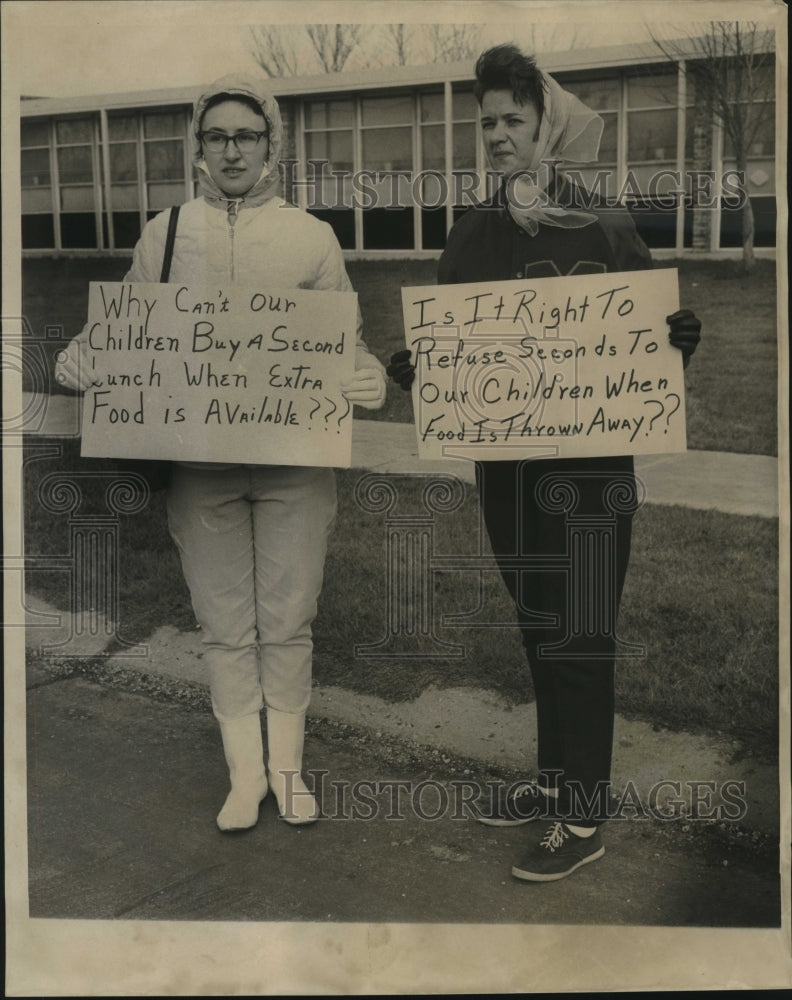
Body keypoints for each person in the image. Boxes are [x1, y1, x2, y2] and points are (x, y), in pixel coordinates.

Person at [388, 44, 701, 881]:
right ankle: (557, 784)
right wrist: (416, 366)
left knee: (582, 634)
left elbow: (649, 344)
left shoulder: (603, 224)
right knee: (539, 630)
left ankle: (584, 820)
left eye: (511, 120)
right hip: (507, 474)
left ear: (544, 125)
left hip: (593, 476)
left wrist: (679, 340)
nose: (495, 135)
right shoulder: (470, 234)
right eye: (485, 121)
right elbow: (447, 345)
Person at [55, 74, 386, 831]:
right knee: (224, 619)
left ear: (272, 145)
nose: (232, 149)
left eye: (247, 135)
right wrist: (84, 359)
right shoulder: (165, 231)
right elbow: (127, 333)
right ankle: (245, 776)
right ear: (198, 149)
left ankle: (289, 769)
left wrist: (363, 375)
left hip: (295, 464)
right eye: (217, 137)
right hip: (198, 465)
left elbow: (342, 342)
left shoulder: (310, 235)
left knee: (290, 616)